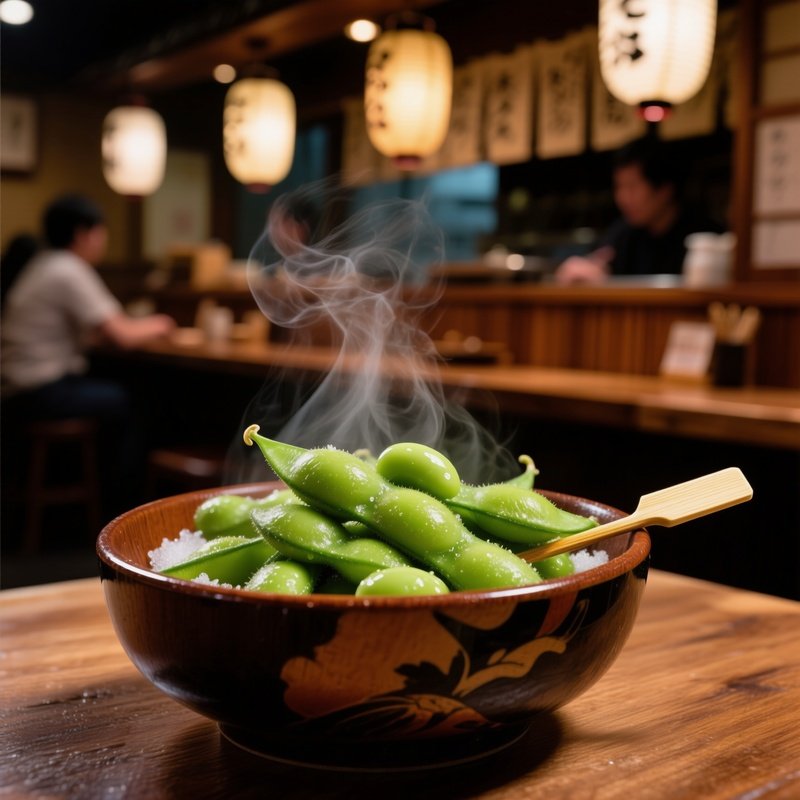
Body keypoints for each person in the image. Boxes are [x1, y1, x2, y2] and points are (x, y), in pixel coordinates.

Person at [1, 194, 176, 517]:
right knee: (136, 403)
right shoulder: (68, 268)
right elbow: (124, 335)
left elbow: (96, 330)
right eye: (101, 231)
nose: (103, 240)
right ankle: (124, 507)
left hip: (16, 390)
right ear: (83, 234)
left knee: (122, 395)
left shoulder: (43, 264)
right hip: (38, 391)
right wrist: (163, 323)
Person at [555, 137, 724, 284]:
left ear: (664, 190)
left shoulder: (705, 238)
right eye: (619, 187)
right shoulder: (624, 233)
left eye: (632, 187)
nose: (622, 198)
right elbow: (598, 263)